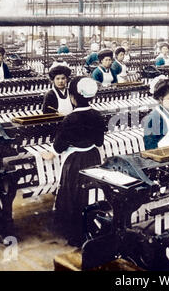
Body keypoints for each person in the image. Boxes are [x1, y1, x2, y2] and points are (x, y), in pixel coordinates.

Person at [42, 76, 105, 247]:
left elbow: (60, 146)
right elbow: (99, 142)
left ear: (72, 98)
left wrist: (50, 153)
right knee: (89, 194)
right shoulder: (98, 115)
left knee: (74, 195)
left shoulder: (69, 119)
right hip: (93, 157)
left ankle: (75, 235)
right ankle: (91, 229)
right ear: (91, 97)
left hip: (75, 161)